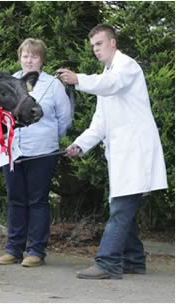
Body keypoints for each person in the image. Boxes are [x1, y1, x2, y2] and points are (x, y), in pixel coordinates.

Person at [57, 24, 168, 279]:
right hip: (123, 156)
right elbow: (99, 123)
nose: (96, 49)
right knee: (121, 207)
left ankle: (107, 263)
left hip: (136, 153)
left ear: (113, 43)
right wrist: (79, 145)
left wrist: (78, 79)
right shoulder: (106, 77)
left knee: (120, 208)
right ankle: (134, 260)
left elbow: (110, 84)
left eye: (99, 43)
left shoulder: (126, 67)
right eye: (93, 45)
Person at [0, 38, 72, 267]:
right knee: (15, 199)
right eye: (26, 55)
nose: (29, 60)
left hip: (42, 152)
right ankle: (13, 249)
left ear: (42, 59)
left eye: (34, 56)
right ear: (20, 57)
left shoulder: (54, 85)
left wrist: (47, 137)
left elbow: (64, 118)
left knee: (37, 200)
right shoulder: (8, 83)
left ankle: (36, 251)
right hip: (12, 150)